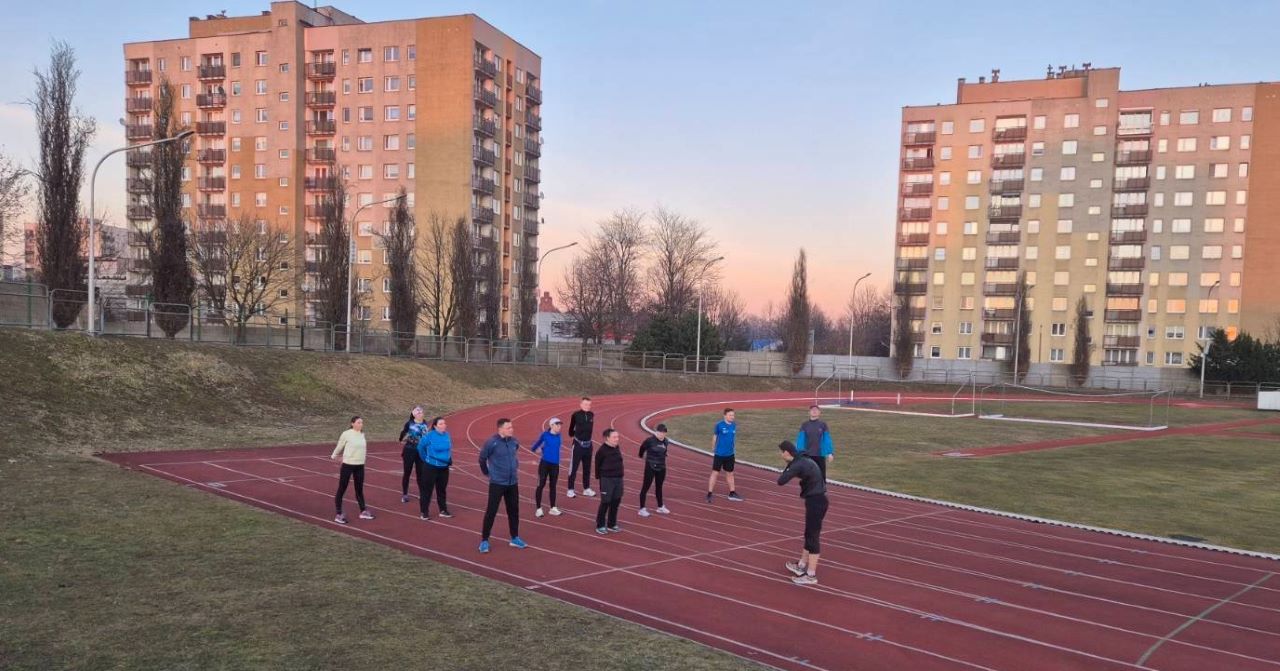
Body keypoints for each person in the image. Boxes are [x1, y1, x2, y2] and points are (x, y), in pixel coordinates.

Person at [776, 440, 828, 586]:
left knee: (813, 537)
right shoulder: (802, 458)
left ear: (787, 453)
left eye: (781, 452)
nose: (780, 455)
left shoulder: (797, 464)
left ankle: (811, 575)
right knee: (808, 534)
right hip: (817, 500)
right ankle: (801, 565)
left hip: (816, 502)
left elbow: (781, 481)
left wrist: (788, 465)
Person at [478, 417, 527, 553]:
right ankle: (484, 540)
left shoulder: (514, 441)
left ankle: (515, 537)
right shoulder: (491, 442)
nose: (511, 429)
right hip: (497, 483)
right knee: (491, 511)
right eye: (508, 428)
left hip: (512, 483)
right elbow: (482, 459)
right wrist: (487, 473)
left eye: (512, 427)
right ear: (500, 429)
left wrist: (515, 467)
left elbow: (514, 454)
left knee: (514, 511)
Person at [331, 416, 375, 524]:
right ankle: (338, 514)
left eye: (362, 423)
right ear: (352, 423)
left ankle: (363, 511)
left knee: (359, 489)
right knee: (342, 488)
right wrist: (334, 456)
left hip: (360, 465)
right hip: (348, 465)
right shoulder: (346, 434)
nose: (361, 424)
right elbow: (339, 446)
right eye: (358, 422)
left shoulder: (362, 434)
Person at [416, 416, 454, 520]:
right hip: (431, 467)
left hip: (444, 467)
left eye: (444, 423)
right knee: (427, 490)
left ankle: (443, 510)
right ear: (435, 426)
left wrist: (448, 459)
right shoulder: (429, 436)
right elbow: (420, 447)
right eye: (441, 424)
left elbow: (448, 449)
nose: (444, 425)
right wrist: (425, 459)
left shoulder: (447, 435)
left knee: (442, 490)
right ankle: (424, 512)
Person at [706, 408, 744, 503]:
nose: (732, 417)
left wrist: (733, 449)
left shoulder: (734, 425)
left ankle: (732, 493)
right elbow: (715, 436)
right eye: (730, 415)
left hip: (730, 454)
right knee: (715, 473)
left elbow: (732, 438)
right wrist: (713, 446)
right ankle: (709, 493)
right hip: (719, 454)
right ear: (725, 416)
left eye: (733, 415)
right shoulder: (719, 425)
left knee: (730, 473)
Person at [529, 417, 564, 518]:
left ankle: (553, 508)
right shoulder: (545, 435)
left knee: (553, 486)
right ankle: (538, 509)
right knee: (541, 485)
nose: (559, 427)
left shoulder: (559, 436)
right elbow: (537, 444)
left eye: (560, 425)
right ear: (551, 425)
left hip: (555, 465)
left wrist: (544, 449)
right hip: (545, 464)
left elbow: (552, 447)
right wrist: (535, 449)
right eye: (557, 425)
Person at [593, 428, 625, 534]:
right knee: (605, 502)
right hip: (607, 480)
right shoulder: (602, 451)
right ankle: (600, 525)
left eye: (617, 437)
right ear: (607, 438)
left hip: (618, 479)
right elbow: (597, 464)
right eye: (614, 437)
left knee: (616, 502)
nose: (617, 439)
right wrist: (600, 478)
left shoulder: (617, 447)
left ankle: (612, 524)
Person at [637, 424, 671, 517]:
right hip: (650, 466)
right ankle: (642, 509)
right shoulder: (649, 440)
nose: (662, 434)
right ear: (656, 432)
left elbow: (664, 451)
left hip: (661, 467)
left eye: (663, 433)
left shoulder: (666, 441)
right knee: (645, 487)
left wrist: (664, 455)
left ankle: (660, 507)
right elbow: (642, 448)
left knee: (659, 487)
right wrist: (641, 455)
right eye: (660, 432)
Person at [566, 397, 596, 498]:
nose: (587, 406)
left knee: (587, 468)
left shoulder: (592, 414)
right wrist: (576, 434)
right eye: (585, 404)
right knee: (573, 468)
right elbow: (571, 430)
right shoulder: (575, 415)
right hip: (578, 445)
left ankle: (586, 489)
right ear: (581, 404)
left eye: (589, 404)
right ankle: (570, 489)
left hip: (588, 445)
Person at [795, 405, 835, 481]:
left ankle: (822, 488)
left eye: (816, 410)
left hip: (819, 455)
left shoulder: (823, 425)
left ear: (819, 413)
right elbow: (800, 440)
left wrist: (830, 453)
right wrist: (799, 453)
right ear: (809, 412)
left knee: (821, 477)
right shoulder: (805, 425)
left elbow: (827, 439)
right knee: (808, 477)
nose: (814, 411)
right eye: (812, 410)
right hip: (807, 456)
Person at [399, 406, 428, 503]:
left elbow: (426, 436)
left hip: (420, 451)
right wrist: (402, 439)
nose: (421, 414)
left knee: (420, 473)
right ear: (414, 414)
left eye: (422, 412)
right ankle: (405, 494)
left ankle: (422, 493)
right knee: (407, 472)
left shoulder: (425, 423)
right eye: (419, 413)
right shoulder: (409, 423)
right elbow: (402, 434)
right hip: (409, 451)